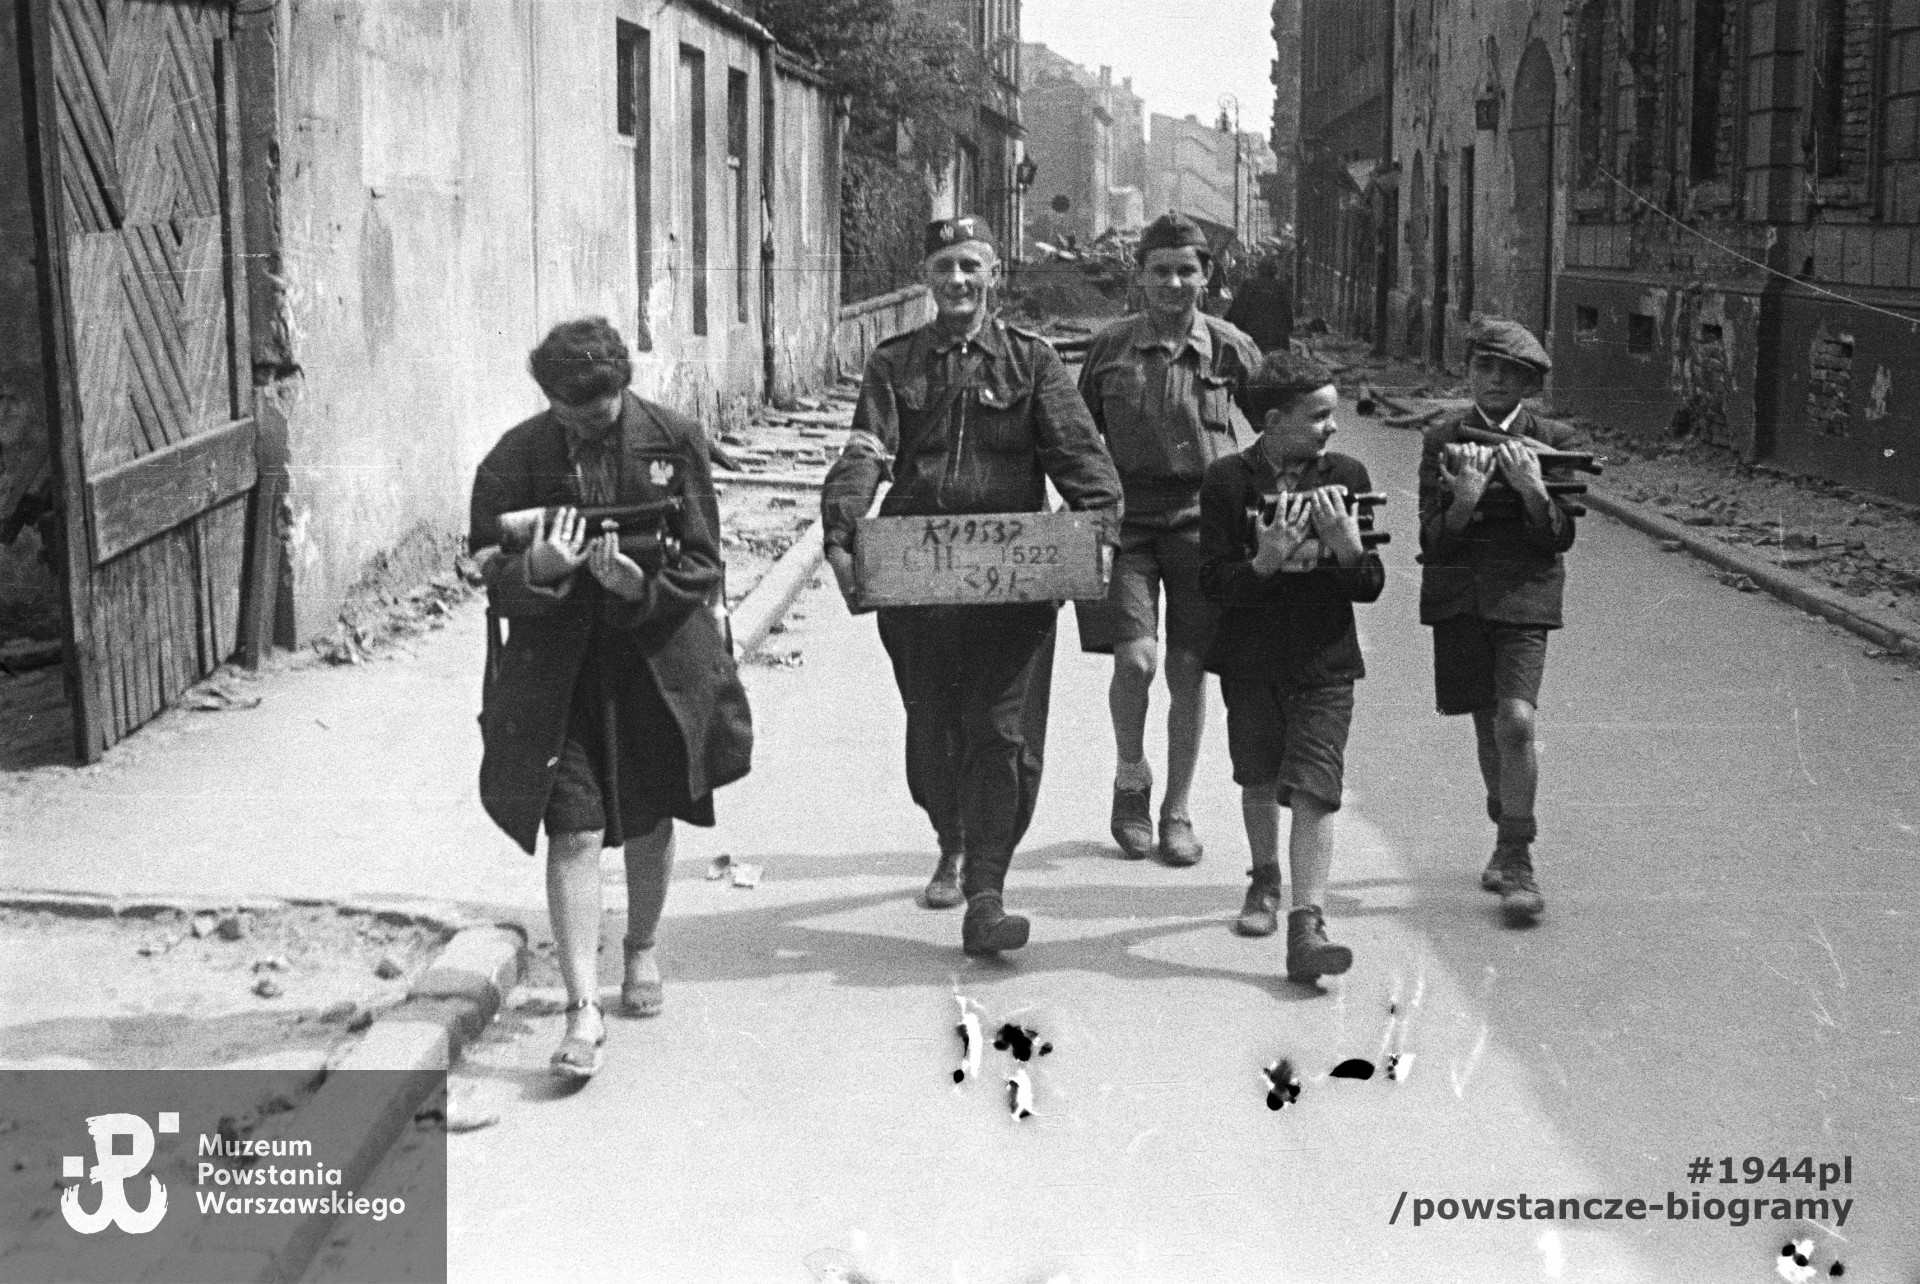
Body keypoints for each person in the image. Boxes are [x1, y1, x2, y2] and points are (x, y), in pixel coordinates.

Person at [821, 217, 1123, 956]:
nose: (957, 281)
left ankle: (986, 891)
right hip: (916, 581)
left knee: (1002, 734)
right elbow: (866, 450)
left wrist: (1096, 538)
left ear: (994, 275)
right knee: (932, 730)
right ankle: (948, 838)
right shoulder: (894, 364)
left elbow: (1085, 466)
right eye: (944, 267)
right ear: (927, 276)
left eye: (970, 267)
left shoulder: (1033, 363)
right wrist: (839, 532)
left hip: (1012, 584)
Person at [469, 317, 753, 1079]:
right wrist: (542, 568)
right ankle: (581, 1010)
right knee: (573, 829)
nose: (587, 427)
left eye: (600, 413)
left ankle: (643, 947)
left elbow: (703, 560)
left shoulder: (674, 439)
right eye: (571, 415)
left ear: (624, 385)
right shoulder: (515, 458)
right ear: (548, 398)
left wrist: (643, 587)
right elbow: (484, 571)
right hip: (555, 677)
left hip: (652, 663)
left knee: (655, 812)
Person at [1076, 212, 1261, 866]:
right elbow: (1077, 440)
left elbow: (1282, 428)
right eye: (1162, 271)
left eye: (1188, 271)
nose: (1175, 283)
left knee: (1187, 669)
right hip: (1126, 519)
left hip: (1205, 523)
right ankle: (1132, 781)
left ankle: (1177, 809)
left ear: (1207, 277)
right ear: (1141, 276)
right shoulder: (1110, 347)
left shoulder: (1232, 348)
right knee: (1136, 661)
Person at [1198, 351, 1385, 983]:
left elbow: (1370, 585)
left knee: (1316, 789)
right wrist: (1264, 560)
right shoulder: (1226, 481)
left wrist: (1351, 549)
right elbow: (1214, 583)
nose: (1332, 427)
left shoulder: (1348, 475)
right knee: (1257, 777)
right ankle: (1265, 880)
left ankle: (1308, 925)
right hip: (1251, 659)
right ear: (1273, 420)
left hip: (1325, 658)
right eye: (1319, 416)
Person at [1417, 316, 1587, 924]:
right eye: (1484, 368)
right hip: (1461, 597)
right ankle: (1505, 822)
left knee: (1516, 720)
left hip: (1524, 597)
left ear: (1529, 383)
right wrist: (1463, 501)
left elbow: (1560, 538)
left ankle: (1517, 857)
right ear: (1468, 373)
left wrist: (1534, 492)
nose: (1494, 381)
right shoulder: (1444, 439)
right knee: (1488, 725)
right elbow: (1433, 541)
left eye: (1509, 372)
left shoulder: (1554, 439)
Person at [1224, 256, 1295, 354]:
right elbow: (1288, 314)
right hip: (1276, 342)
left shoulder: (1249, 285)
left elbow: (1237, 311)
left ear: (1259, 270)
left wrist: (1228, 323)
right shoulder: (1281, 287)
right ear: (1275, 271)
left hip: (1252, 339)